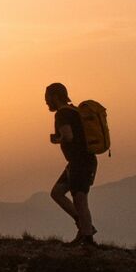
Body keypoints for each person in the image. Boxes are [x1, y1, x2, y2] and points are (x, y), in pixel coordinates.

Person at [44, 82, 98, 247]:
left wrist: (58, 139)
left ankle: (87, 238)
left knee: (80, 199)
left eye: (47, 98)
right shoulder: (74, 111)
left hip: (80, 163)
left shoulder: (62, 114)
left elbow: (68, 136)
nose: (46, 102)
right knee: (57, 192)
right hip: (81, 161)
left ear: (54, 97)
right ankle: (83, 226)